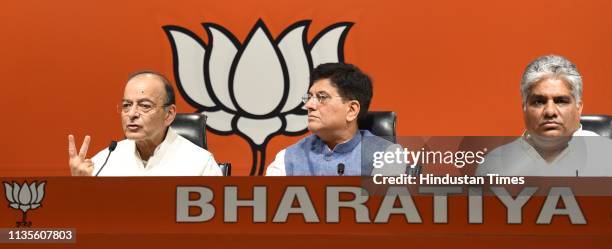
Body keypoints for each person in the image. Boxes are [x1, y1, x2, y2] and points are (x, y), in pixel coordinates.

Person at [477, 55, 612, 176]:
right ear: (524, 107)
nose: (550, 111)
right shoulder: (495, 166)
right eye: (539, 102)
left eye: (561, 101)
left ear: (579, 107)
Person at [68, 71, 222, 176]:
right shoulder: (105, 161)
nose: (132, 114)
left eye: (145, 106)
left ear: (169, 114)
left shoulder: (200, 164)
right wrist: (81, 186)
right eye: (126, 105)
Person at [265, 63, 406, 176]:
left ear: (351, 110)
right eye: (309, 97)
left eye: (322, 97)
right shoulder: (286, 158)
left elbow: (383, 209)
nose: (309, 105)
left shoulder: (387, 156)